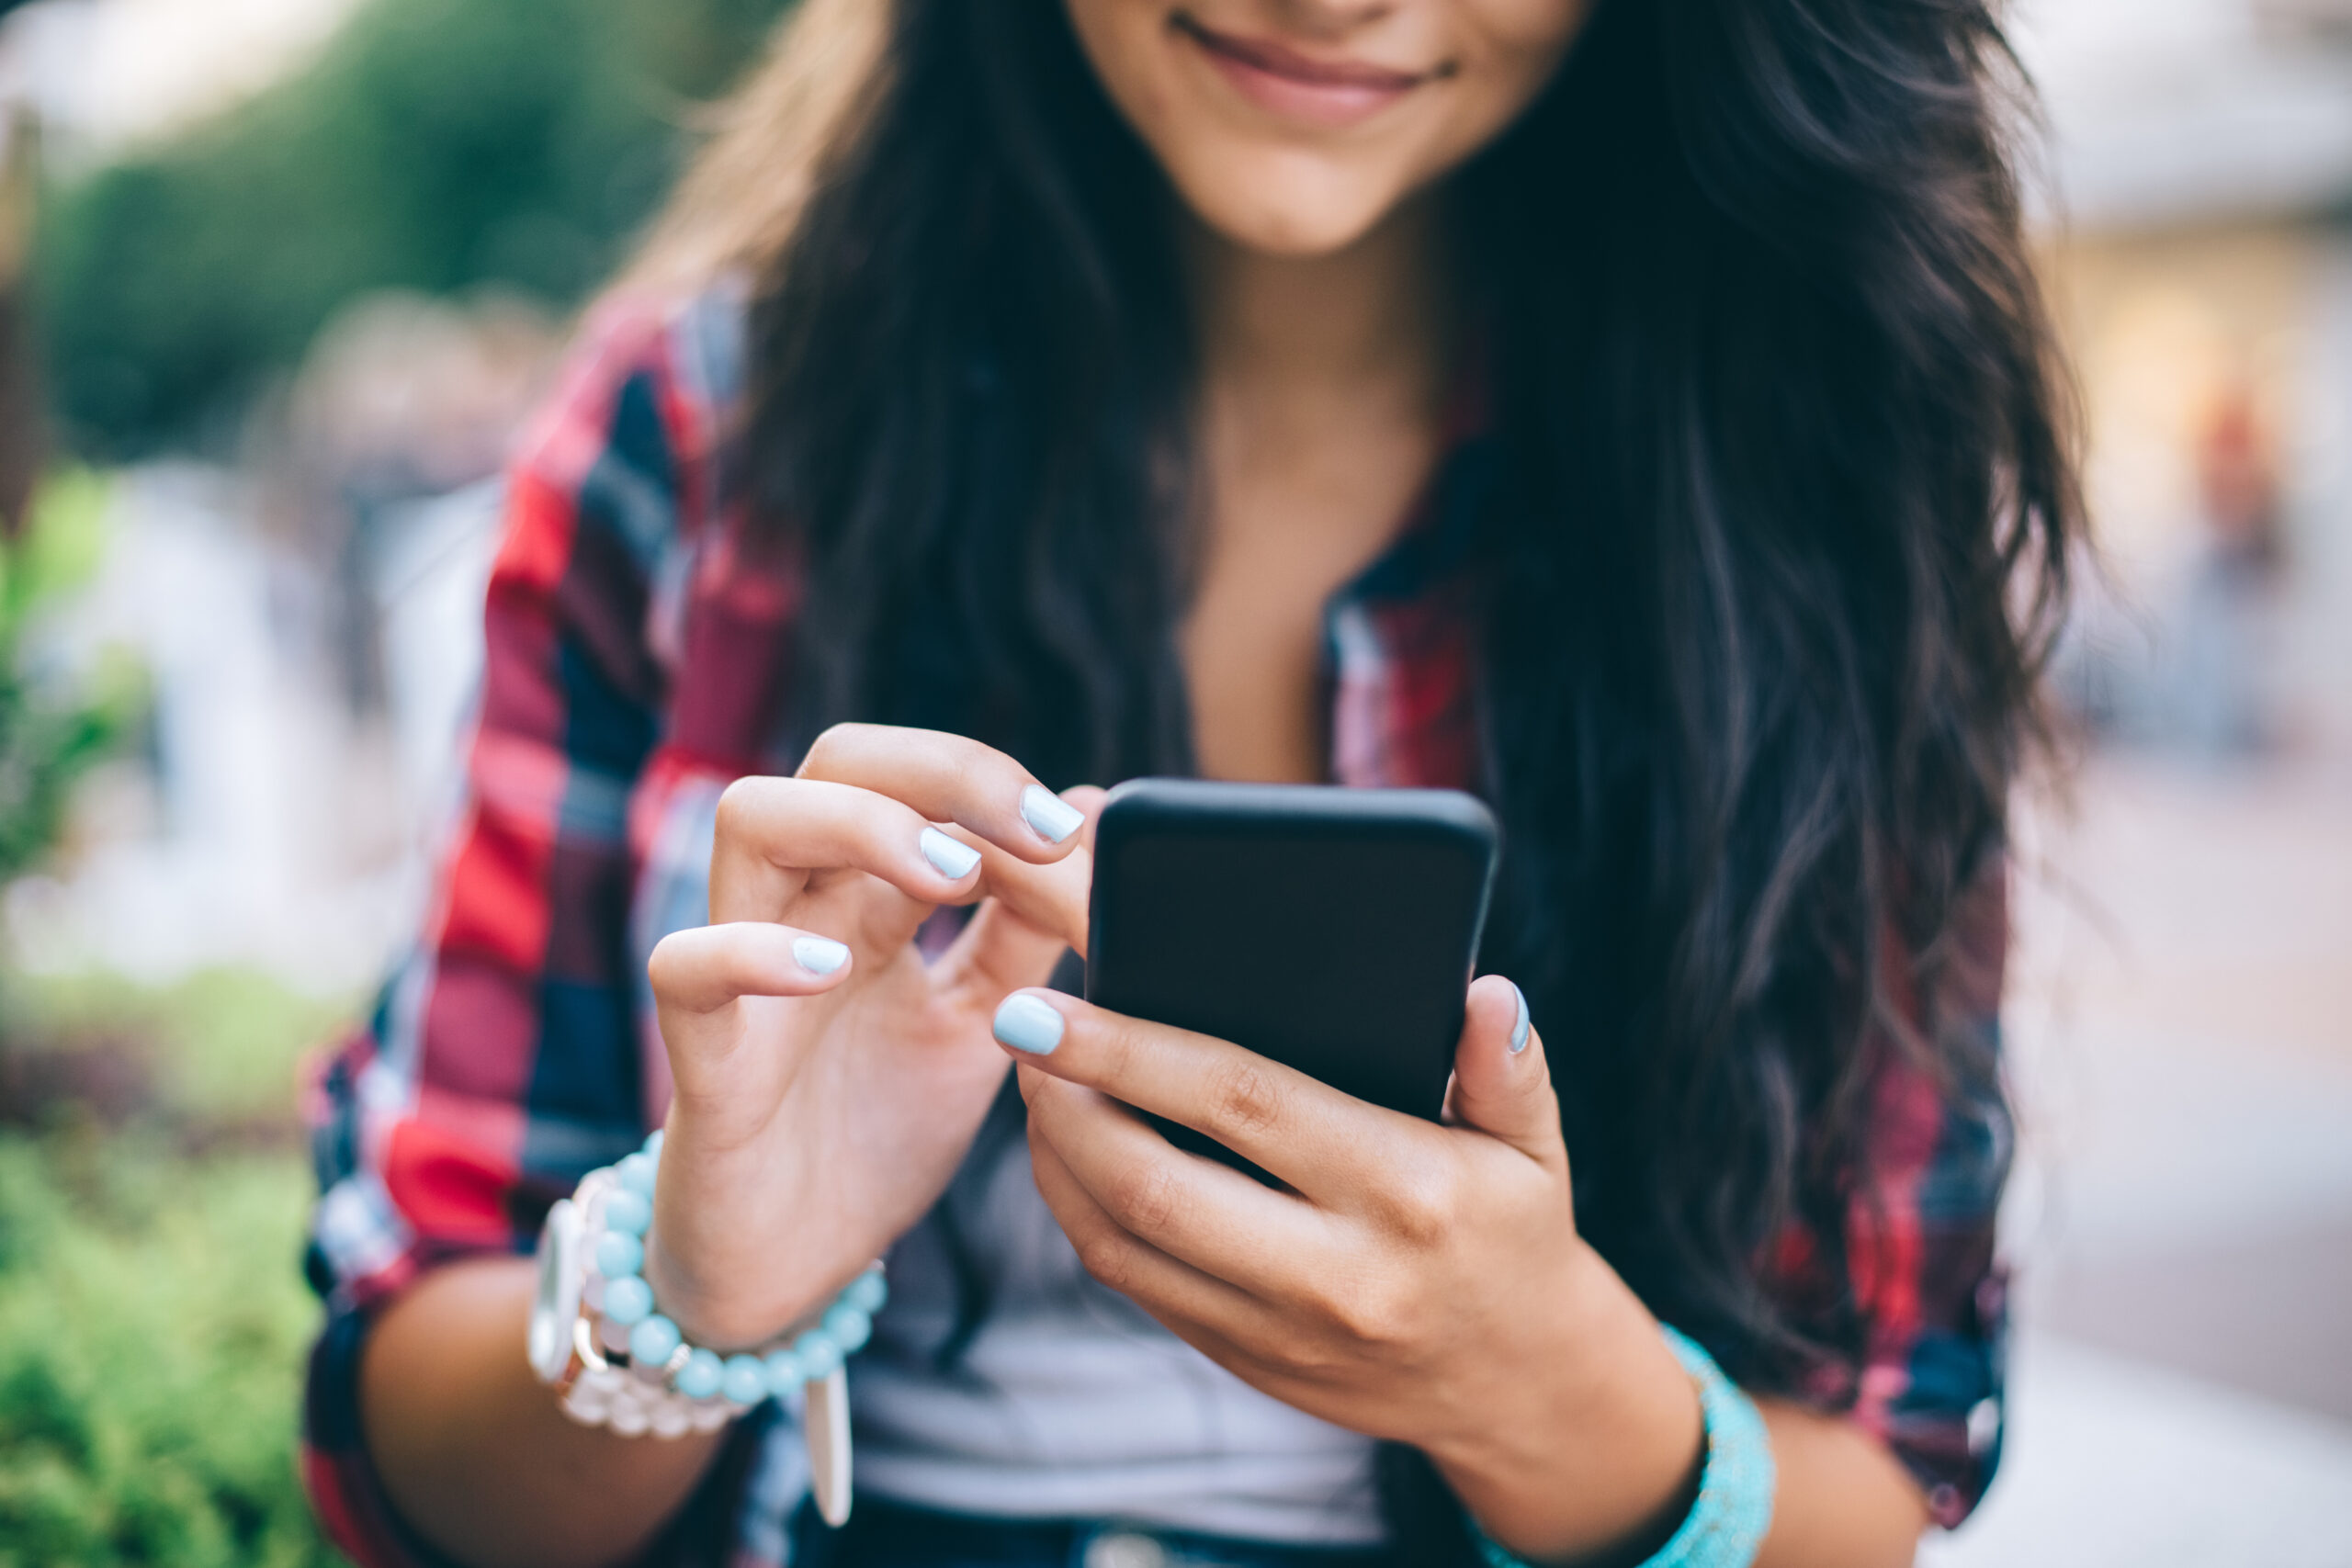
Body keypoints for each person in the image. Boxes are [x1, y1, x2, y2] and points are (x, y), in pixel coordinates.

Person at [299, 2, 2075, 1565]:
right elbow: (407, 1426)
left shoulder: (1821, 482)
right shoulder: (697, 450)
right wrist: (692, 1289)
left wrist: (1545, 1384)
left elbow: (1871, 1480)